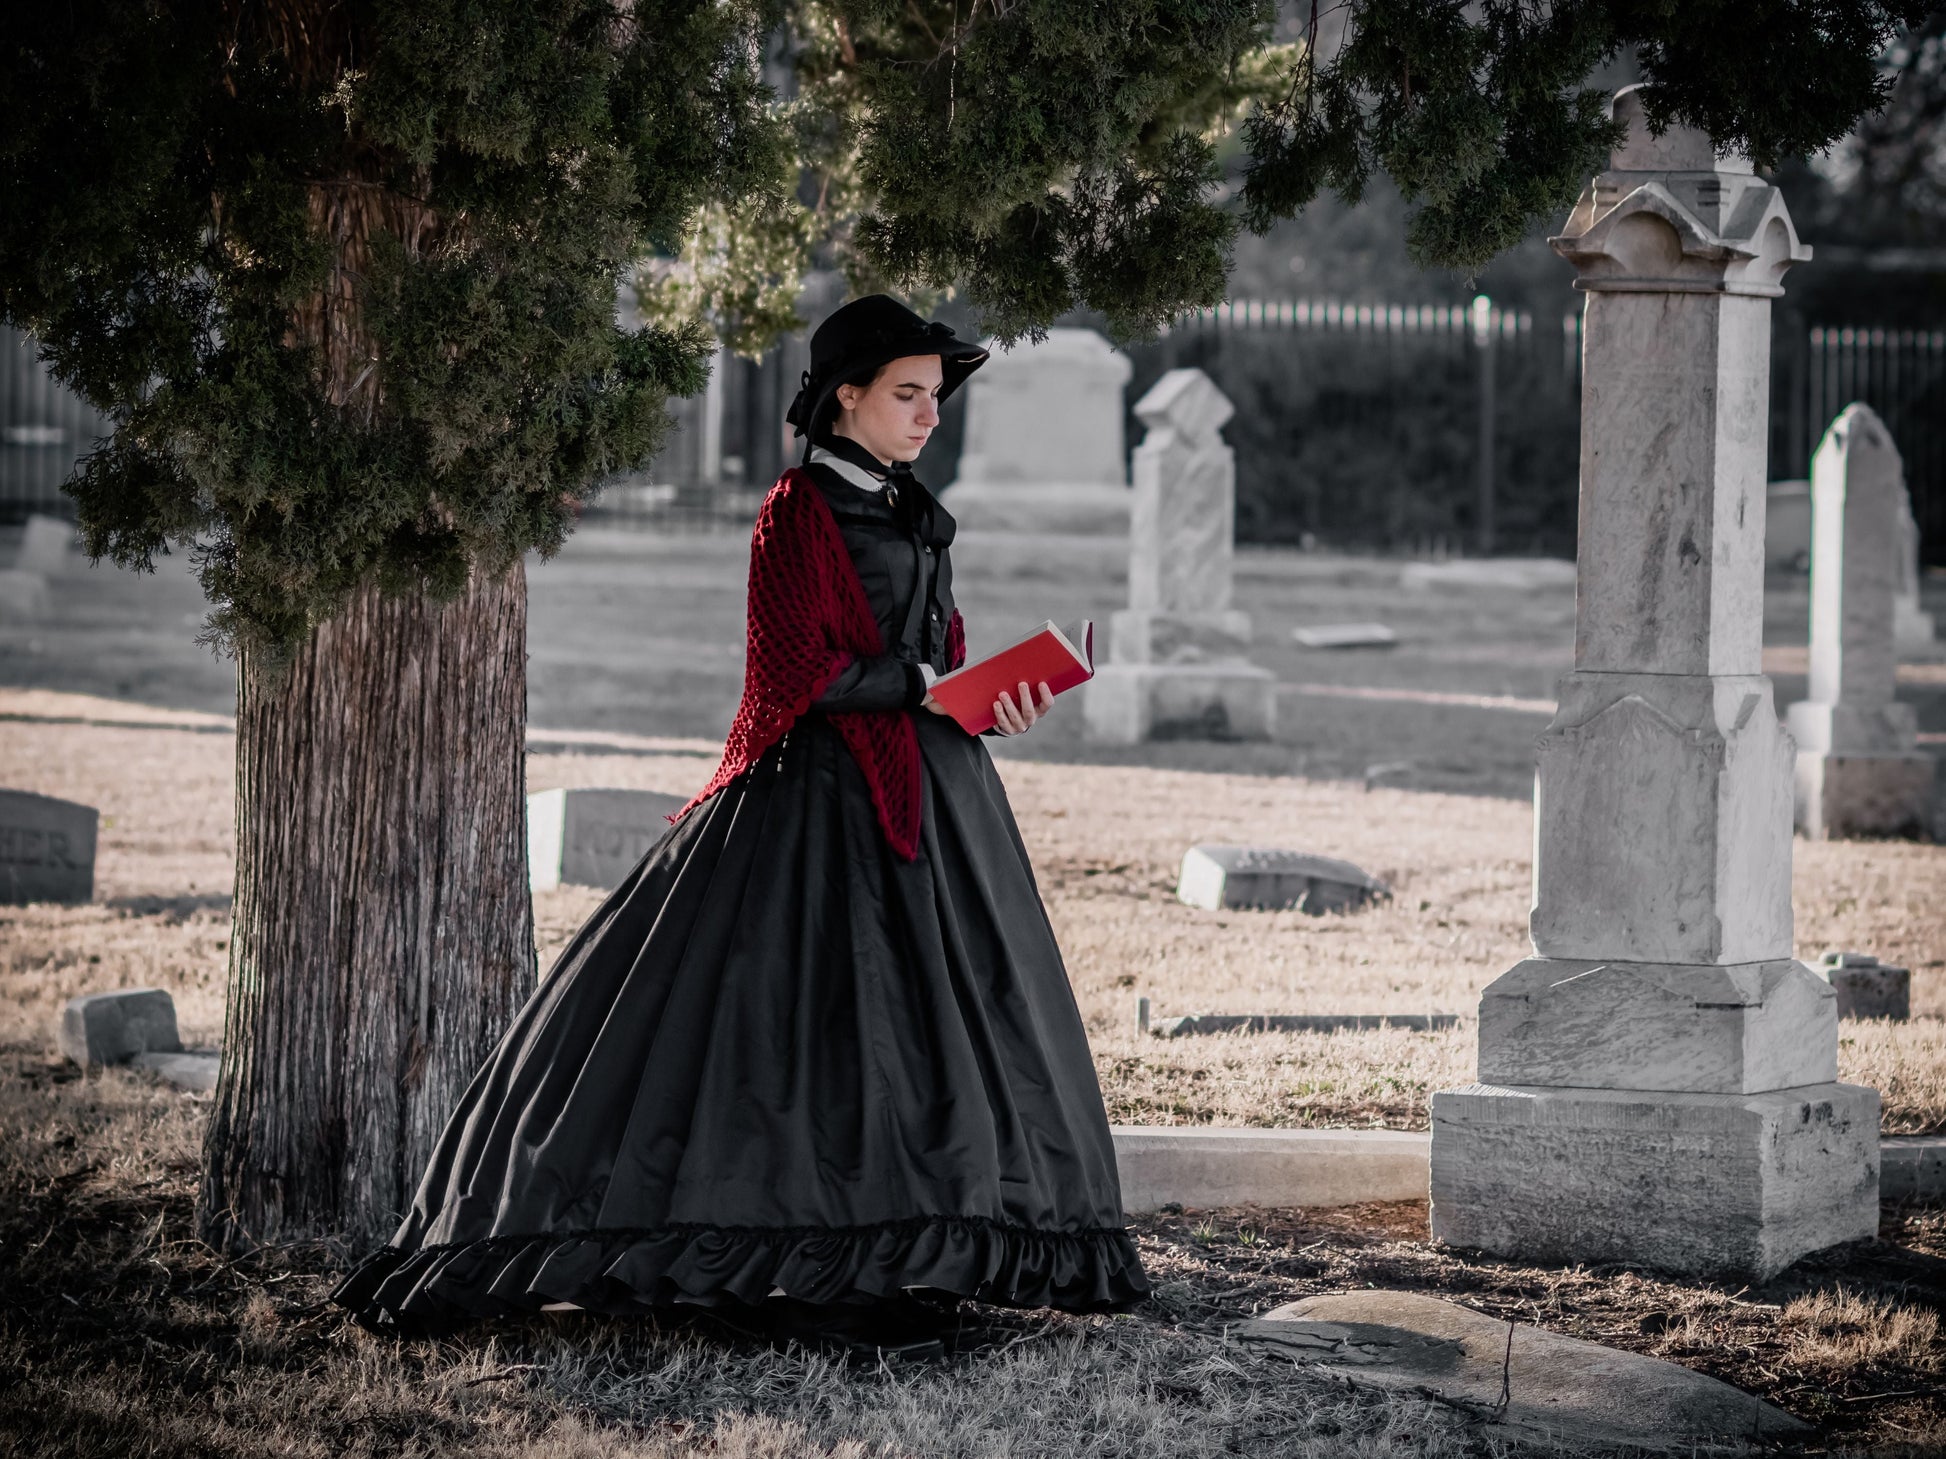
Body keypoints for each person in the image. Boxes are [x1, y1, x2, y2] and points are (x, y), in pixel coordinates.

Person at [331, 295, 1148, 1352]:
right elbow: (789, 676)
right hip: (812, 802)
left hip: (932, 798)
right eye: (907, 395)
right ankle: (803, 1261)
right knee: (798, 1021)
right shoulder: (794, 510)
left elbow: (937, 650)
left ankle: (906, 1252)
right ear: (843, 396)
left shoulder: (912, 508)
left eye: (934, 398)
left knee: (921, 1030)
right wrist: (919, 684)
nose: (926, 416)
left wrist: (992, 693)